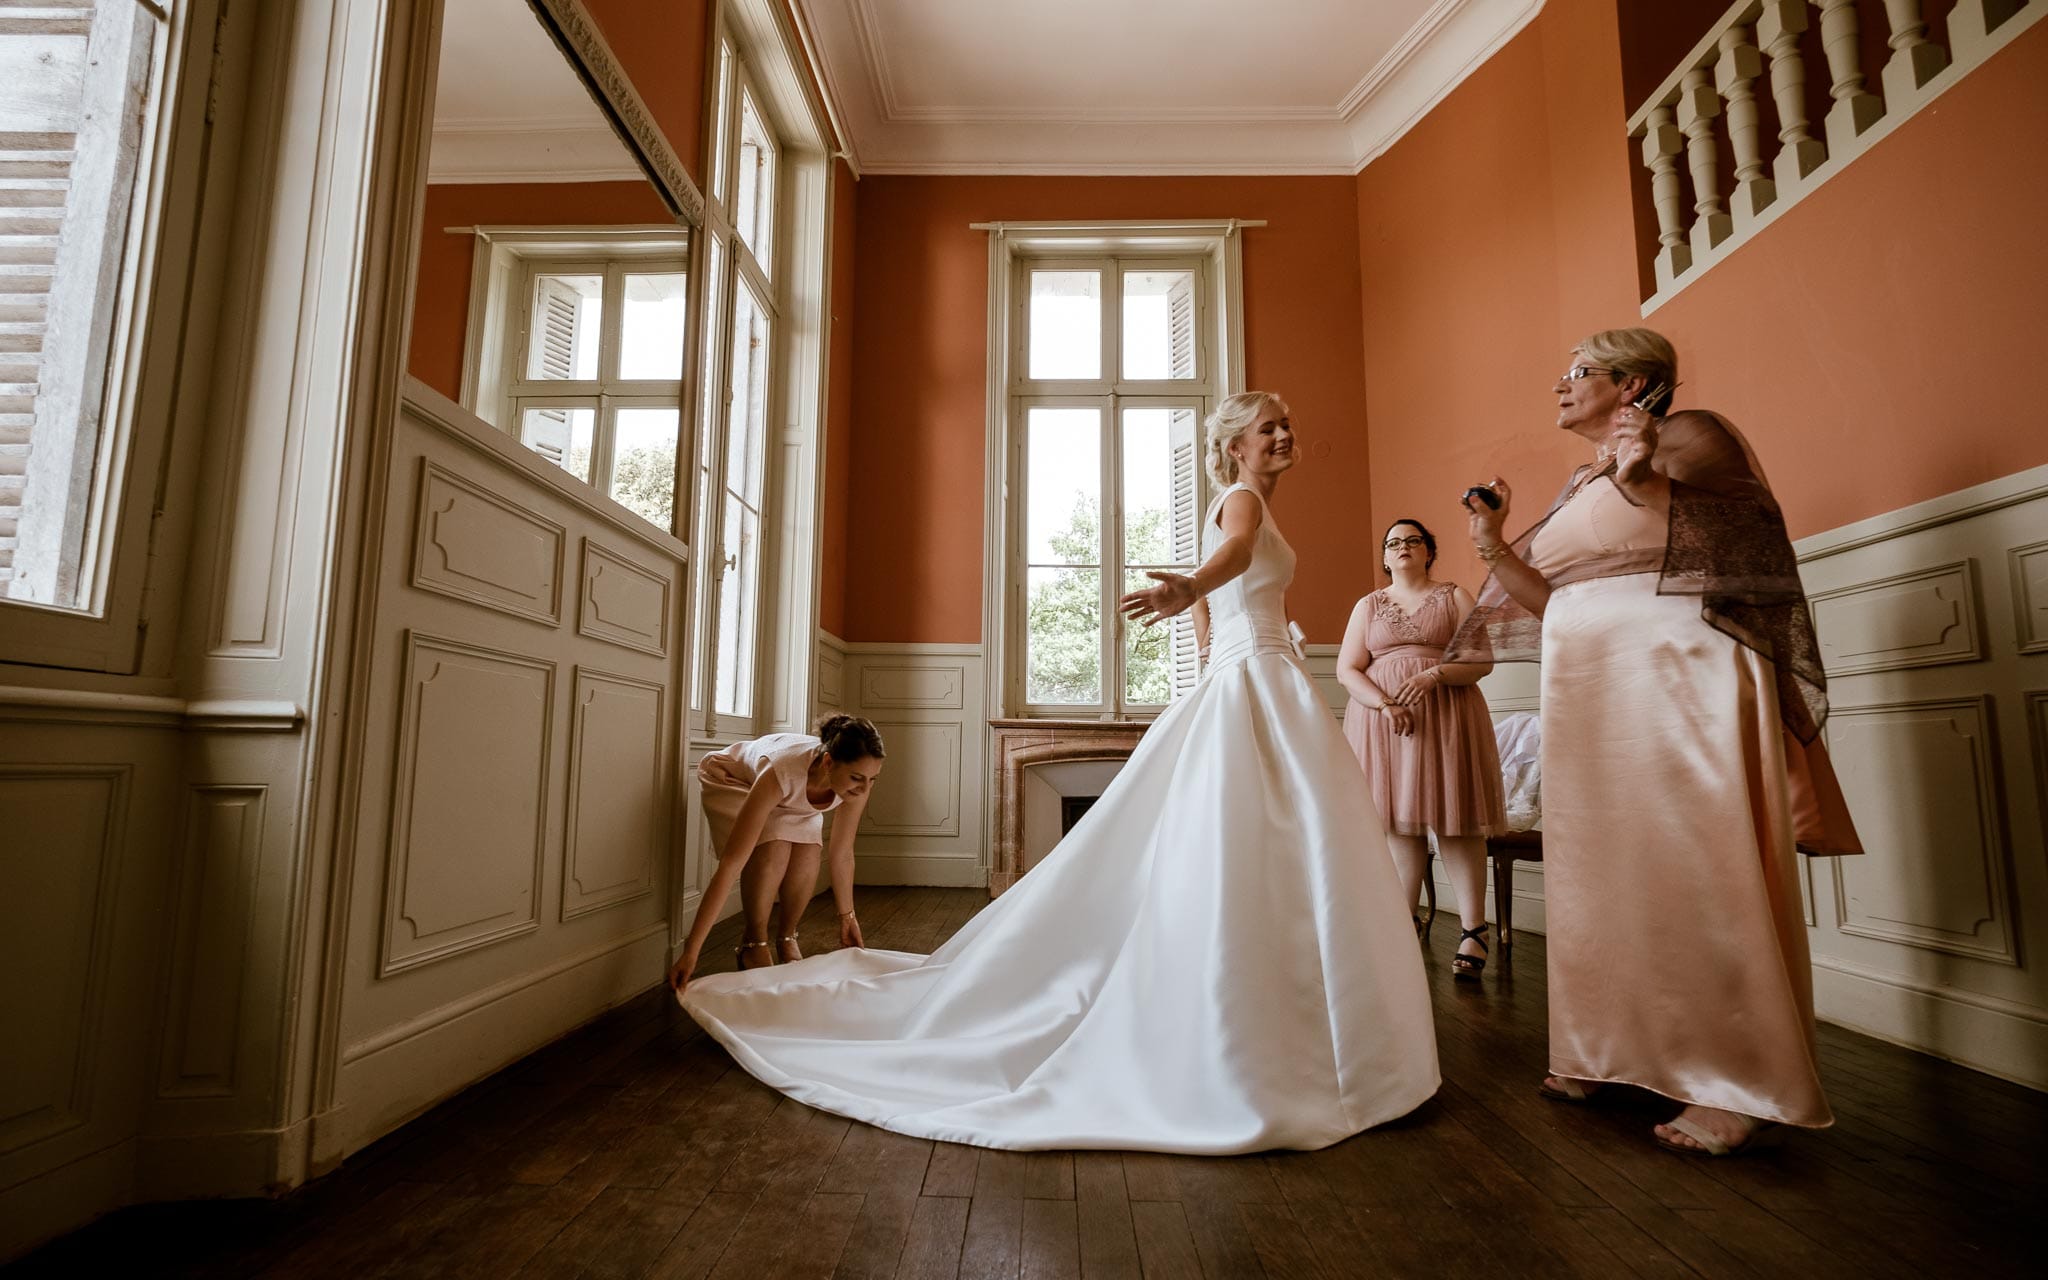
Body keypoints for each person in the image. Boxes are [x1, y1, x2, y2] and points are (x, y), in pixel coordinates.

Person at [676, 391, 1438, 1153]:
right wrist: (1195, 592)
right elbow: (1232, 562)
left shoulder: (1249, 507)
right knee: (1254, 844)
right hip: (1258, 681)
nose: (1285, 433)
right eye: (1269, 425)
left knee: (1270, 846)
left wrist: (1207, 634)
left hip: (1258, 677)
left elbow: (1234, 593)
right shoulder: (1239, 503)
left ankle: (1283, 1020)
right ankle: (1275, 1037)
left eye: (1287, 423)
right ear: (1236, 446)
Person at [1447, 327, 1861, 1157]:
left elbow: (1742, 549)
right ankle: (1607, 1050)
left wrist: (1644, 477)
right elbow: (1545, 596)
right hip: (1590, 687)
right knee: (1602, 869)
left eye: (1579, 373)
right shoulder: (1579, 477)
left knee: (1694, 861)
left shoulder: (1694, 437)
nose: (1560, 386)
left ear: (1633, 384)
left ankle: (1730, 1077)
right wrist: (1494, 544)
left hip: (1680, 674)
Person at [1337, 518, 1505, 977]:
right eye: (1393, 543)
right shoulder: (1367, 605)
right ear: (1386, 557)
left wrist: (1435, 674)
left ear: (1428, 551)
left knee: (1458, 820)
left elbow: (1481, 659)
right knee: (1399, 824)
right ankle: (1402, 923)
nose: (1403, 547)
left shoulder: (1453, 596)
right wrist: (1384, 704)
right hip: (1386, 722)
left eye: (1413, 540)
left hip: (1448, 713)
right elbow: (1348, 670)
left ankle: (1474, 930)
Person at [665, 716, 886, 993]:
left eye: (872, 779)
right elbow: (732, 863)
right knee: (775, 848)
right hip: (735, 780)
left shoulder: (856, 783)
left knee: (808, 853)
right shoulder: (780, 771)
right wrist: (691, 952)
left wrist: (848, 917)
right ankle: (753, 943)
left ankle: (786, 936)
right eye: (857, 778)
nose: (865, 789)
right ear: (829, 763)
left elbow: (842, 853)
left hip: (794, 795)